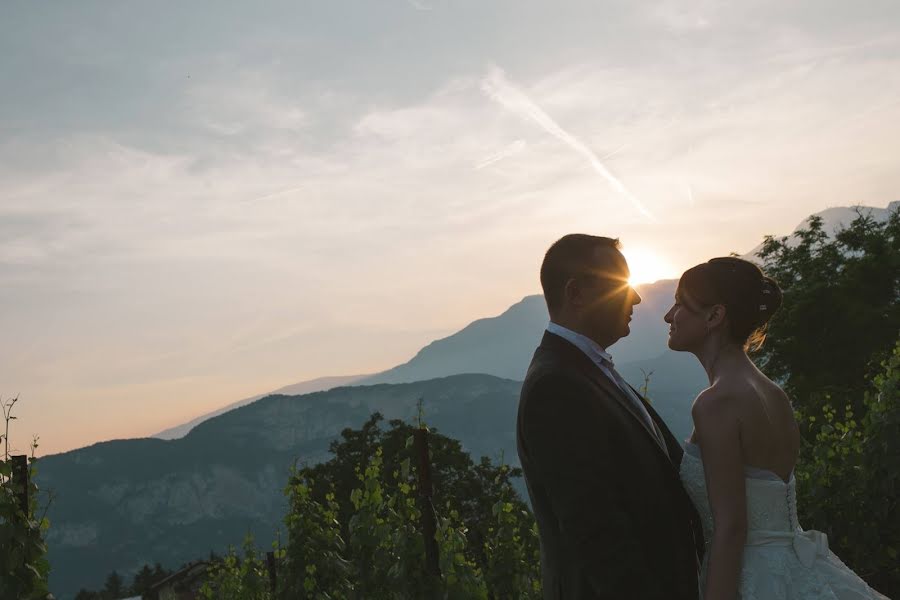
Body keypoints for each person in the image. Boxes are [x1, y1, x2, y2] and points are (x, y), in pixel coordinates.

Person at [666, 256, 890, 599]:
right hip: (798, 568)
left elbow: (732, 529)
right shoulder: (773, 394)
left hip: (750, 578)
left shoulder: (717, 402)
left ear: (715, 316)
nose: (669, 315)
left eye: (680, 304)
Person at [517, 234, 704, 600]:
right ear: (576, 293)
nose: (635, 297)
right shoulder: (556, 388)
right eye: (621, 286)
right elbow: (598, 535)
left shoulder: (586, 371)